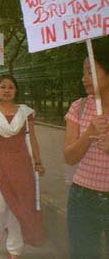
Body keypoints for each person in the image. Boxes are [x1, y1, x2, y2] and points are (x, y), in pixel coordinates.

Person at [0, 75, 45, 258]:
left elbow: (33, 138)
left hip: (22, 165)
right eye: (3, 87)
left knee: (18, 206)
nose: (7, 90)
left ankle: (15, 248)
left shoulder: (25, 112)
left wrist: (37, 162)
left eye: (11, 87)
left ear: (16, 90)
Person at [63, 42, 109, 259]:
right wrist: (89, 132)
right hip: (82, 197)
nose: (84, 78)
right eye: (83, 72)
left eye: (91, 71)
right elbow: (69, 157)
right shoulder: (78, 107)